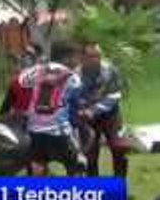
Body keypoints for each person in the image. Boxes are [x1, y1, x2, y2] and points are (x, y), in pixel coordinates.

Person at [17, 41, 85, 176]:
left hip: (34, 128)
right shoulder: (72, 77)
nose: (77, 61)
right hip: (58, 130)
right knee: (78, 164)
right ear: (67, 57)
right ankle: (76, 194)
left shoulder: (37, 70)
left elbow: (22, 81)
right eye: (75, 57)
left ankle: (37, 193)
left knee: (38, 165)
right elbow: (76, 102)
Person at [76, 42, 131, 179]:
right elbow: (71, 98)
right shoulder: (75, 76)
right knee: (91, 153)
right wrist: (80, 111)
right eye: (91, 56)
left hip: (109, 114)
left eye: (98, 56)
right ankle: (94, 189)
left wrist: (94, 110)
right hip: (87, 118)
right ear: (82, 57)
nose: (96, 59)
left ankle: (118, 185)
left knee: (118, 147)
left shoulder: (109, 70)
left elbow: (115, 95)